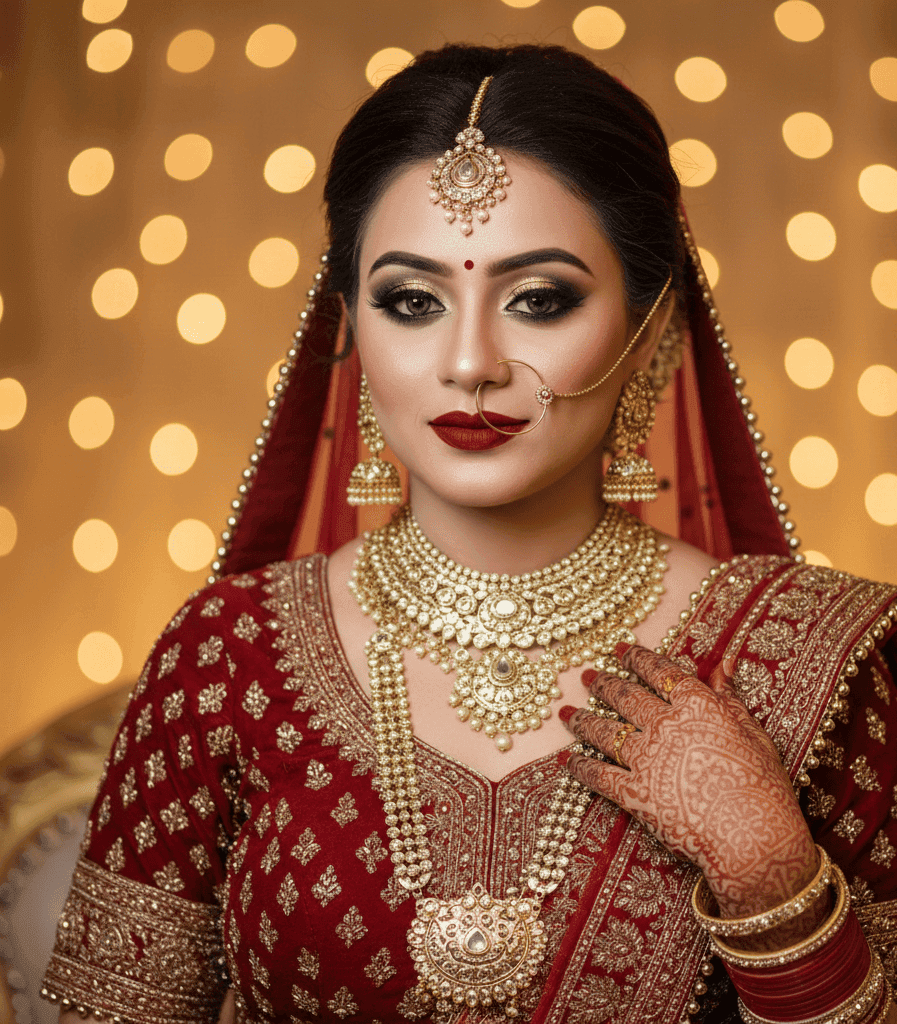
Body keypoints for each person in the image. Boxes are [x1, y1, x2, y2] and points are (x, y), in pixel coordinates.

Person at [42, 43, 896, 1024]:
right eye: (412, 301)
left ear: (652, 325)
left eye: (540, 299)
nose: (470, 360)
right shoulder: (226, 654)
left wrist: (770, 874)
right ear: (351, 325)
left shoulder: (804, 659)